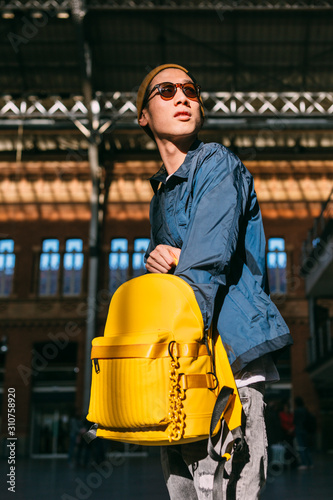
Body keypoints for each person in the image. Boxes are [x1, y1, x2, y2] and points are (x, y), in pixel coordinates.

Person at [137, 63, 293, 500]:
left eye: (190, 89)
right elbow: (182, 272)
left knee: (226, 489)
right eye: (165, 90)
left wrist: (180, 345)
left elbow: (206, 263)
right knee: (186, 487)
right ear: (143, 115)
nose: (183, 97)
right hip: (188, 358)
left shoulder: (218, 164)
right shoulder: (162, 193)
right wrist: (156, 260)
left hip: (226, 359)